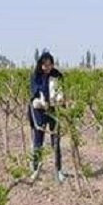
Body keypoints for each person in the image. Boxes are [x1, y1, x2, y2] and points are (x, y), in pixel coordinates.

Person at [28, 51, 65, 182]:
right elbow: (33, 94)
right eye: (45, 65)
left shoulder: (57, 75)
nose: (47, 68)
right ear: (40, 65)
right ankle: (35, 169)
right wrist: (40, 102)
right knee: (38, 140)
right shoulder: (35, 76)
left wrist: (61, 98)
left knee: (56, 140)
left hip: (54, 111)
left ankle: (58, 170)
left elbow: (61, 90)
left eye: (50, 65)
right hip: (39, 111)